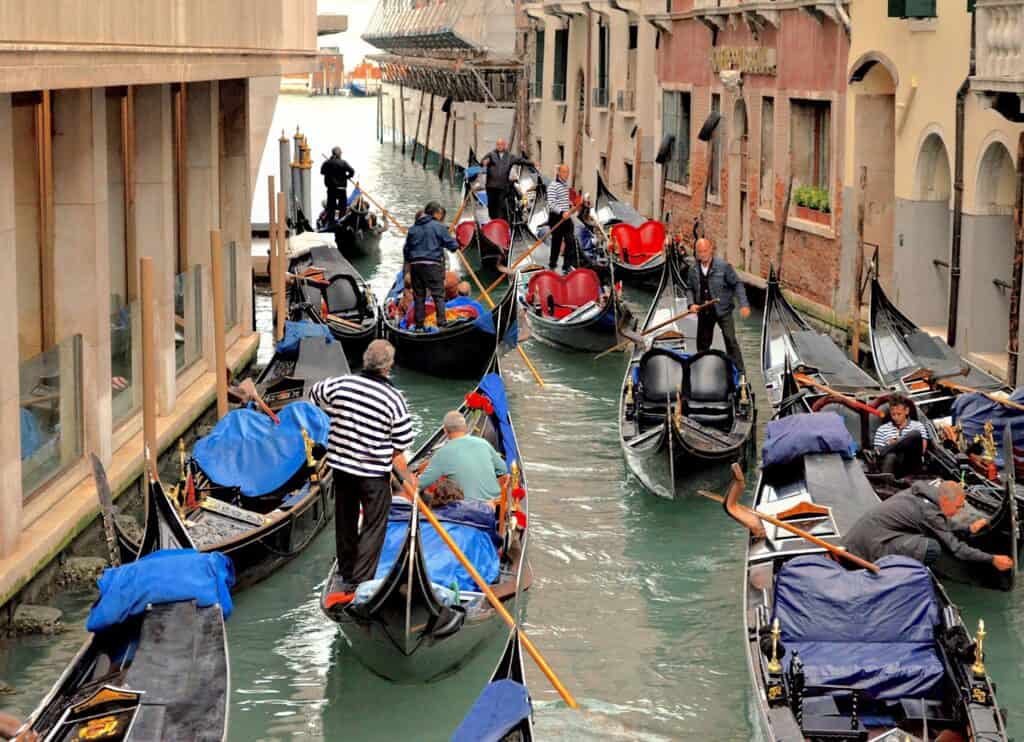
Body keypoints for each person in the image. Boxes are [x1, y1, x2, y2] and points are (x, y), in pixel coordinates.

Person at [311, 339, 416, 607]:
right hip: (373, 474)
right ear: (388, 366)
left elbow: (314, 395)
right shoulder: (394, 398)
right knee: (374, 524)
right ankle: (359, 581)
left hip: (342, 469)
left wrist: (338, 415)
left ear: (366, 360)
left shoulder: (341, 384)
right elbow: (403, 441)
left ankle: (346, 574)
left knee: (345, 521)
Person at [843, 480, 1014, 572]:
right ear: (945, 500)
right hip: (866, 549)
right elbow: (957, 549)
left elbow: (939, 522)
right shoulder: (930, 512)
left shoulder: (924, 494)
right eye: (958, 506)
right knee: (932, 547)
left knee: (930, 535)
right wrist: (991, 559)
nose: (960, 510)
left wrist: (967, 529)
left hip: (862, 538)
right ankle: (904, 575)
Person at [686, 237, 750, 372]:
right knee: (702, 345)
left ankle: (740, 372)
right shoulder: (693, 269)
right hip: (704, 311)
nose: (703, 254)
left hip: (723, 310)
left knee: (730, 340)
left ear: (711, 250)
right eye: (700, 252)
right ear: (697, 253)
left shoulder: (723, 267)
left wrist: (744, 304)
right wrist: (691, 304)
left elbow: (737, 284)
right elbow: (689, 288)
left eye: (705, 251)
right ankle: (701, 371)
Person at [419, 411, 509, 503]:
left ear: (445, 431)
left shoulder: (442, 453)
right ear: (465, 428)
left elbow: (419, 485)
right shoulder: (484, 443)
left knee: (424, 497)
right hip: (496, 504)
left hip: (466, 509)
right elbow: (504, 470)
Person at [402, 201, 459, 331]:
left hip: (416, 266)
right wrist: (454, 243)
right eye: (441, 214)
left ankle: (419, 326)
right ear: (436, 213)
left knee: (419, 296)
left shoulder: (413, 229)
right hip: (432, 265)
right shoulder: (438, 226)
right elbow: (453, 246)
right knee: (438, 295)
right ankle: (442, 324)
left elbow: (406, 252)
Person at [873, 394, 929, 478]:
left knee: (915, 434)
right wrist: (892, 446)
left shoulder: (918, 426)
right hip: (893, 466)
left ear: (906, 411)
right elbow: (877, 455)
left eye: (899, 414)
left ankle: (887, 449)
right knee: (890, 456)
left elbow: (922, 450)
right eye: (893, 414)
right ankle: (886, 482)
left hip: (912, 462)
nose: (896, 418)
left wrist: (897, 444)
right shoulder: (882, 429)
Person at [480, 139, 530, 223]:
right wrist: (484, 162)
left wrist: (532, 163)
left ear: (505, 145)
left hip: (504, 192)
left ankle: (500, 222)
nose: (500, 146)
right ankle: (494, 221)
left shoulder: (510, 157)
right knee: (493, 207)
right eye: (498, 144)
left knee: (501, 208)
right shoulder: (491, 155)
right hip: (492, 187)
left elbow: (521, 161)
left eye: (501, 144)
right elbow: (482, 162)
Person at [546, 164, 579, 274]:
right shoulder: (552, 186)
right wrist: (561, 212)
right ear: (559, 173)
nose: (566, 174)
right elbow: (551, 204)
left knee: (570, 241)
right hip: (556, 217)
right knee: (556, 241)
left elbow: (564, 201)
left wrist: (571, 206)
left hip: (566, 217)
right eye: (564, 172)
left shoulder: (565, 185)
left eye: (567, 172)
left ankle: (566, 266)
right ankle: (552, 263)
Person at [320, 146, 355, 223]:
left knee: (331, 206)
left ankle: (331, 222)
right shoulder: (343, 163)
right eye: (341, 153)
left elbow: (322, 172)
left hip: (331, 188)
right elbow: (352, 171)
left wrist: (330, 171)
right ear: (339, 154)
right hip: (342, 189)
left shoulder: (327, 163)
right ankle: (341, 221)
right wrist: (346, 177)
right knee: (342, 207)